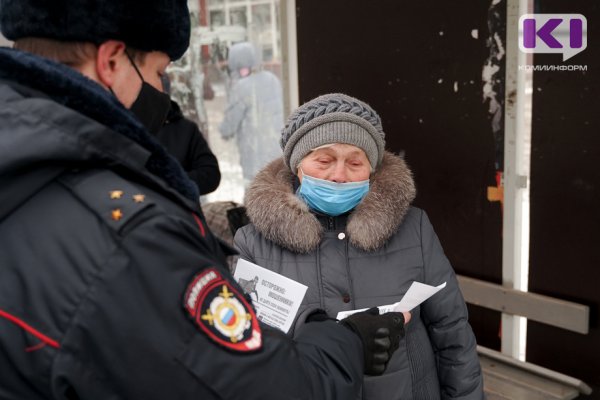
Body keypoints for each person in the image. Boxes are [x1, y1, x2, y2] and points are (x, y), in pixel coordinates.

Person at [0, 2, 409, 399]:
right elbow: (266, 387)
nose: (161, 89)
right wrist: (344, 342)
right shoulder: (133, 236)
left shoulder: (25, 176)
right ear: (111, 62)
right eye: (159, 72)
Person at [235, 93, 485, 399]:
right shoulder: (253, 243)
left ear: (372, 168)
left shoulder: (413, 229)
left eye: (355, 162)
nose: (339, 175)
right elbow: (245, 350)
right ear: (297, 166)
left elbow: (452, 331)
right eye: (324, 160)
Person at [219, 42, 283, 186]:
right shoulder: (272, 79)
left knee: (255, 198)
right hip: (277, 153)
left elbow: (229, 126)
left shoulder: (241, 87)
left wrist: (222, 130)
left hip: (254, 158)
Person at [159, 97, 221, 195]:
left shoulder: (186, 129)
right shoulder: (128, 130)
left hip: (178, 207)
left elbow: (210, 175)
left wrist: (172, 181)